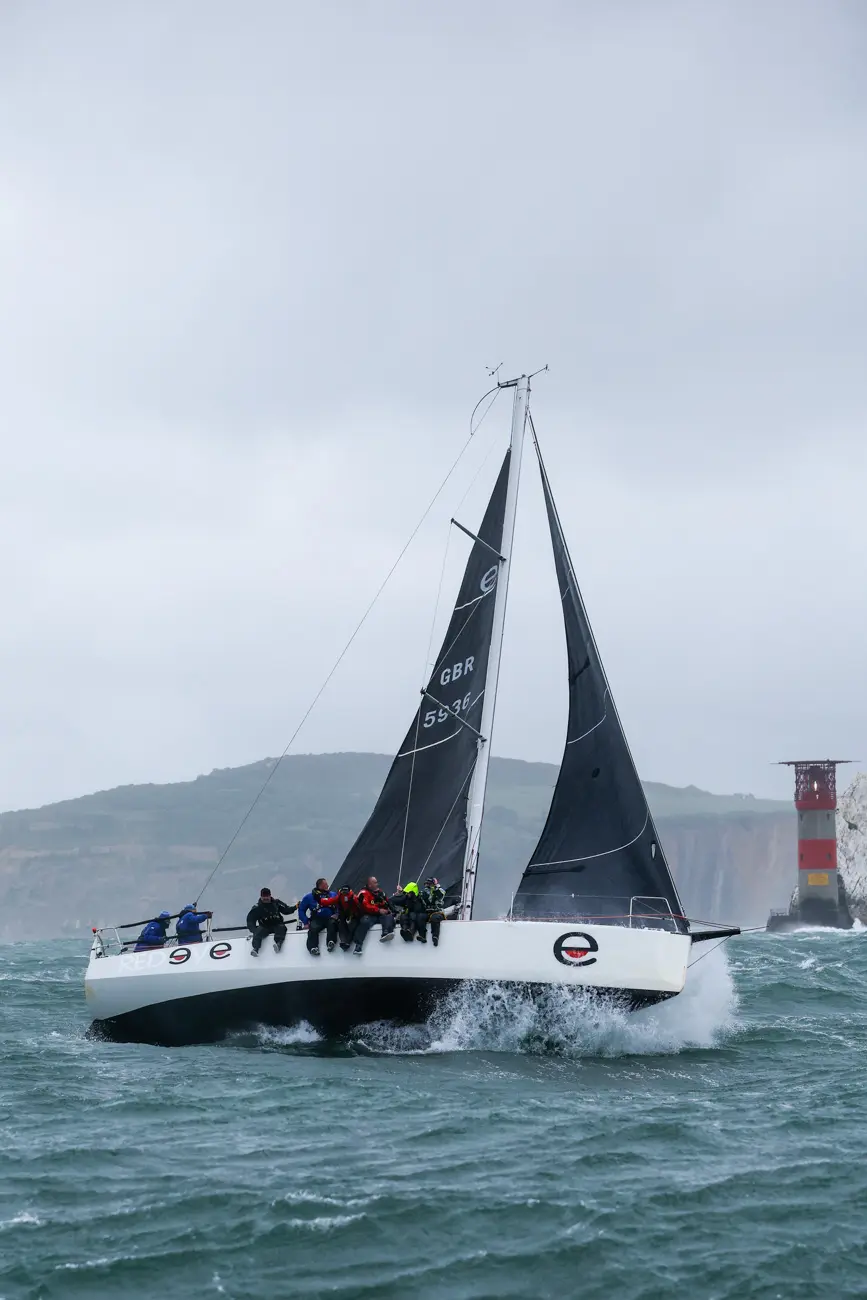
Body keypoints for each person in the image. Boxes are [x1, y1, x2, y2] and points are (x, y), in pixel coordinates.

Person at [246, 888, 298, 956]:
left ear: (270, 895)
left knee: (282, 928)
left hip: (277, 924)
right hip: (264, 927)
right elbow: (250, 920)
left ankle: (278, 944)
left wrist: (295, 907)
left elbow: (286, 910)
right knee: (258, 932)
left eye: (267, 896)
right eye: (263, 896)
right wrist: (254, 930)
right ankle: (255, 949)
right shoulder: (257, 907)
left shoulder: (277, 903)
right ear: (261, 897)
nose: (265, 898)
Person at [353, 876, 395, 953]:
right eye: (375, 883)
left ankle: (385, 933)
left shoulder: (381, 892)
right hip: (368, 915)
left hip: (379, 915)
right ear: (369, 885)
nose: (377, 884)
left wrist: (393, 911)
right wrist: (378, 910)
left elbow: (388, 902)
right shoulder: (363, 893)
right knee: (365, 922)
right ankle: (358, 945)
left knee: (389, 916)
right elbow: (365, 906)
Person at [298, 878, 340, 956]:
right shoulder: (309, 897)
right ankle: (313, 948)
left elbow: (340, 906)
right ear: (320, 886)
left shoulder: (333, 895)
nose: (327, 885)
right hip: (317, 919)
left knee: (333, 924)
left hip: (330, 918)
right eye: (325, 884)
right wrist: (305, 922)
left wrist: (337, 914)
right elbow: (301, 909)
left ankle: (331, 942)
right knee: (313, 928)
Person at [419, 877, 447, 947]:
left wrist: (436, 888)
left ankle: (435, 937)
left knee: (435, 918)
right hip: (427, 912)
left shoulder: (439, 890)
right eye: (427, 884)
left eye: (430, 884)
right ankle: (422, 936)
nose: (428, 886)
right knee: (420, 917)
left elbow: (442, 894)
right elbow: (423, 900)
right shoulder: (424, 892)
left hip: (437, 911)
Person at [335, 885, 359, 951]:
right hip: (344, 915)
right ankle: (343, 940)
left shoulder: (354, 897)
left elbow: (359, 904)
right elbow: (331, 901)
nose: (344, 893)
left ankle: (347, 941)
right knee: (341, 924)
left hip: (354, 915)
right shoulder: (339, 897)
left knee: (352, 925)